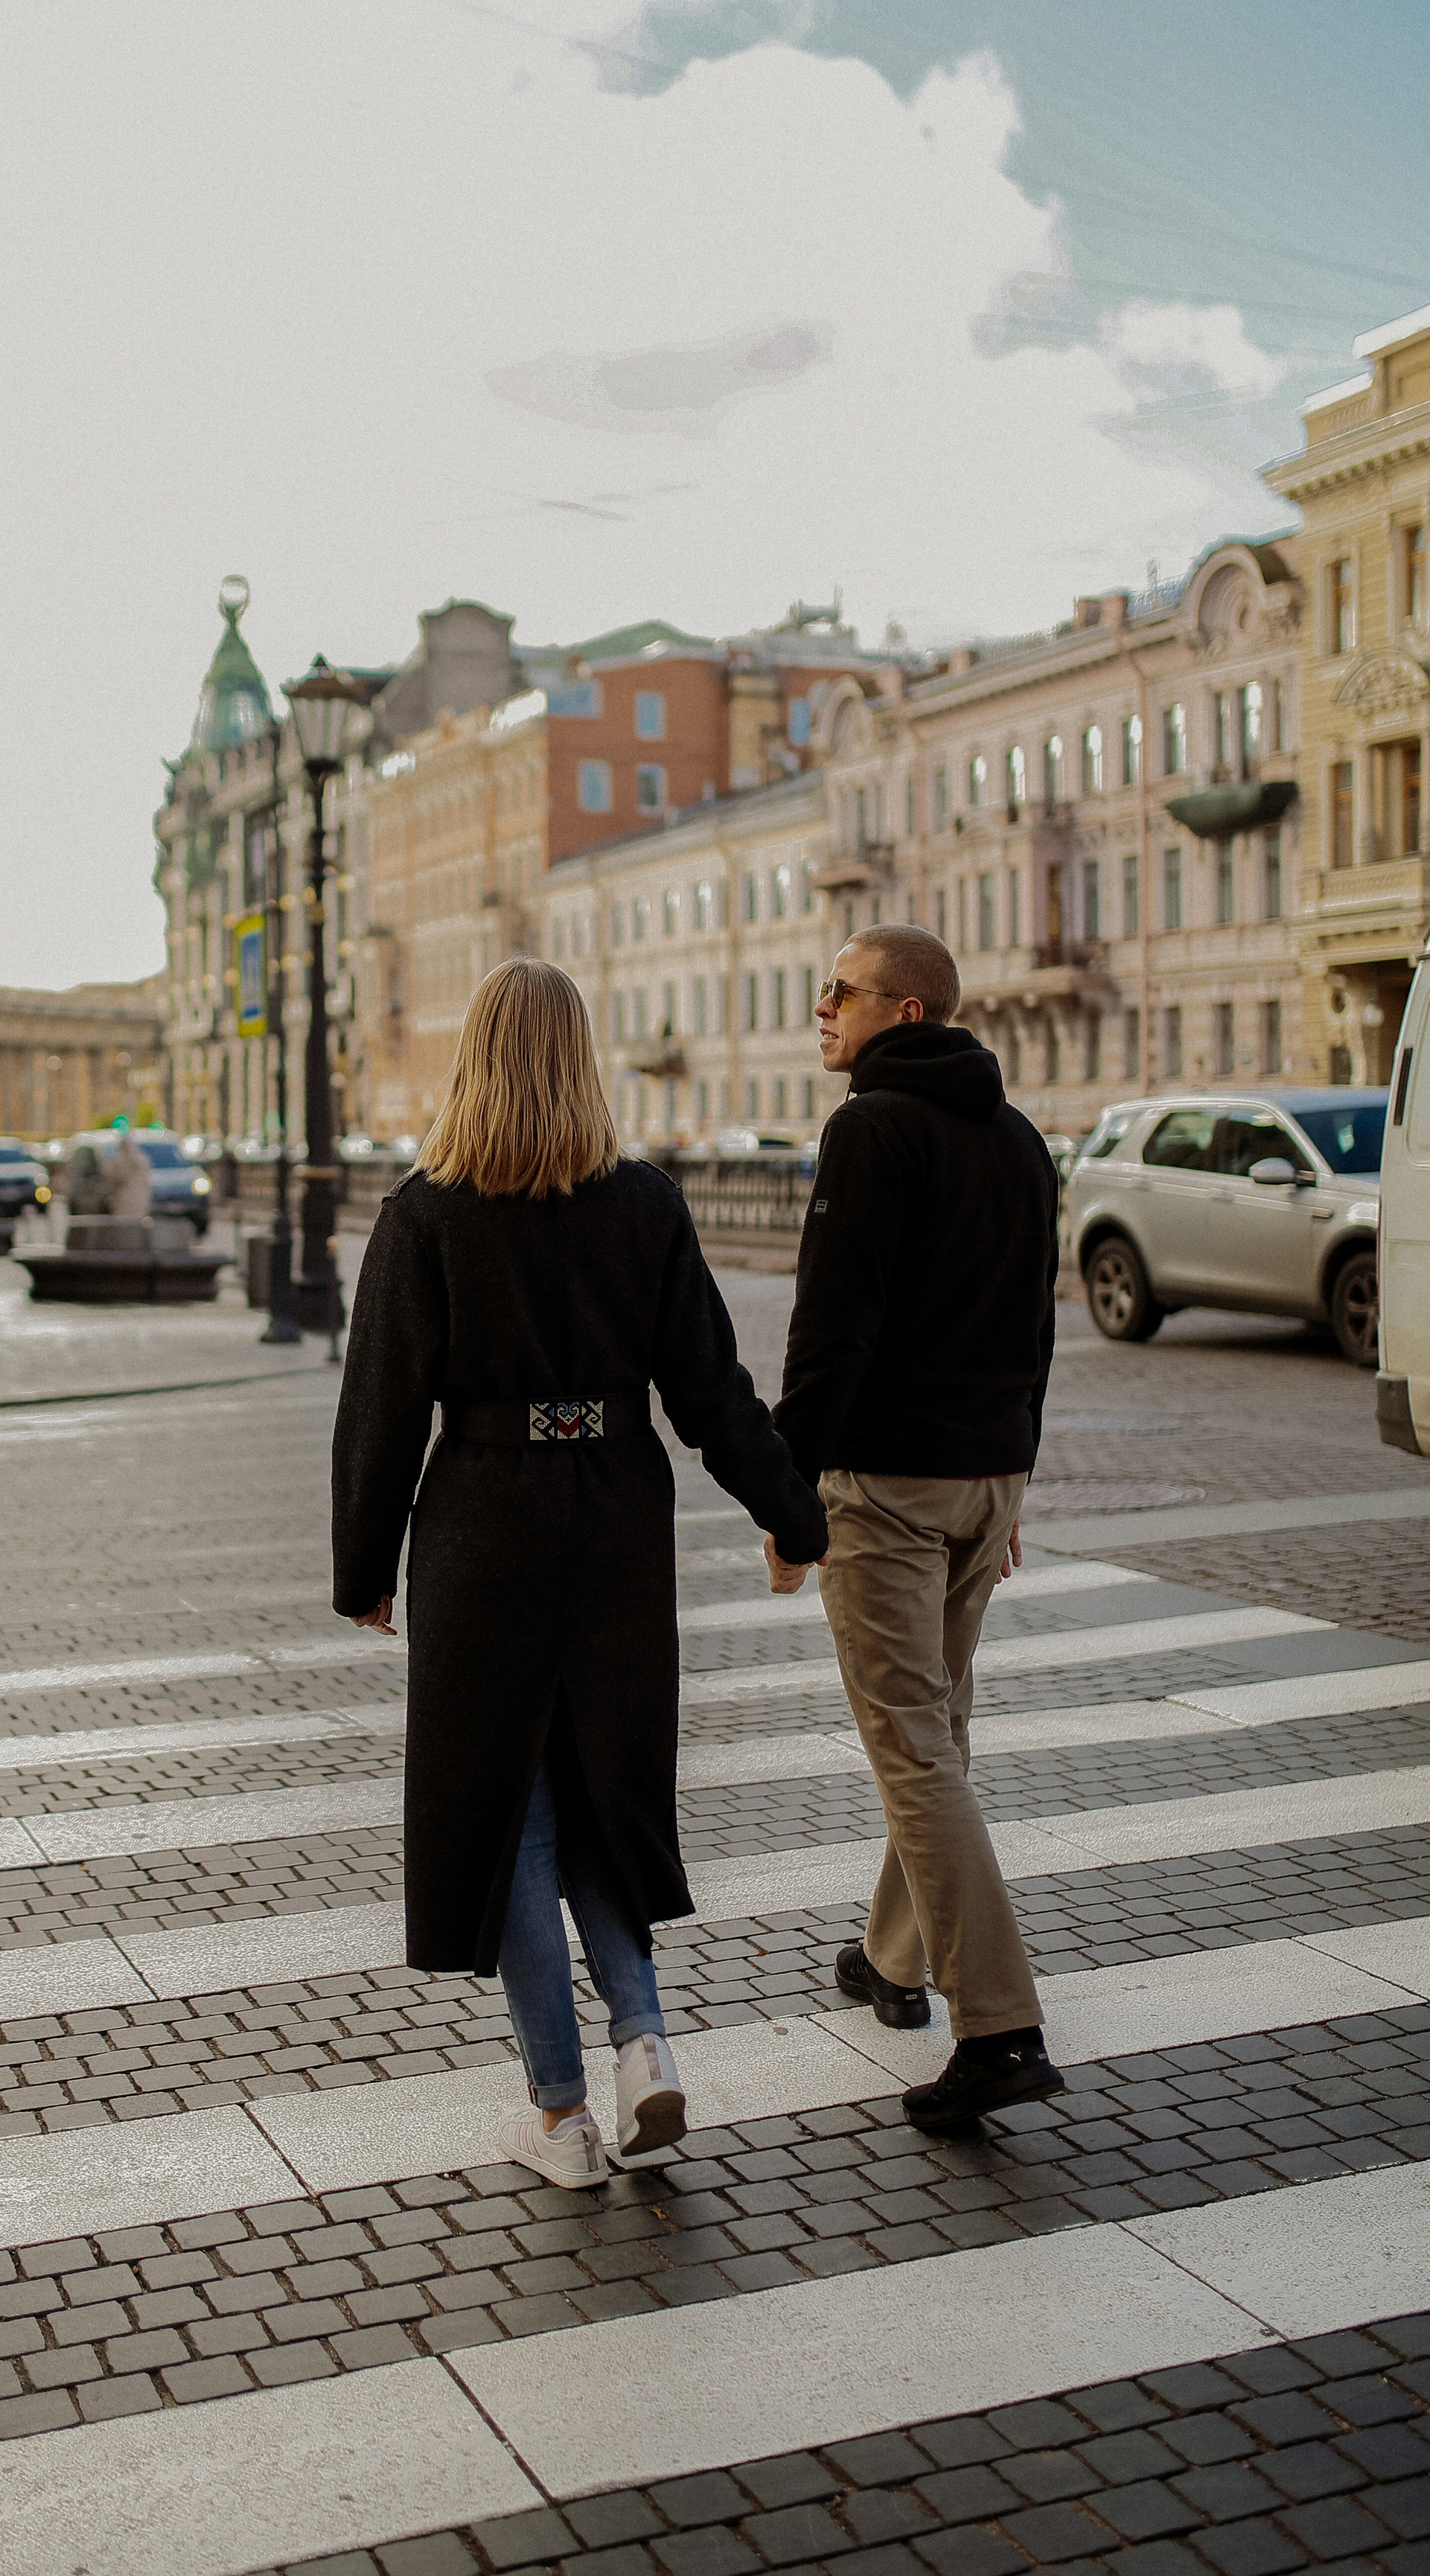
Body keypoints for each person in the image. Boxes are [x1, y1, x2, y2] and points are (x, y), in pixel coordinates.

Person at [332, 957, 826, 2191]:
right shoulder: (645, 1205)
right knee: (609, 1789)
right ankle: (644, 2040)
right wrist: (791, 1514)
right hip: (614, 1511)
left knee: (508, 1821)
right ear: (582, 1056)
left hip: (481, 1522)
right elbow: (712, 1389)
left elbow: (381, 1408)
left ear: (475, 1057)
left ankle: (561, 2120)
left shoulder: (425, 1212)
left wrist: (364, 1562)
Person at [770, 921, 1063, 2136]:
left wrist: (789, 1504)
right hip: (982, 1479)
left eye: (839, 992)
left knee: (911, 1744)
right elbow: (1031, 1327)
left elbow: (832, 1328)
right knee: (936, 1727)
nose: (819, 1010)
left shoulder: (869, 1129)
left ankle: (998, 2027)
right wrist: (1014, 1484)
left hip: (884, 1487)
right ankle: (894, 1962)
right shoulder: (1020, 1137)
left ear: (906, 1010)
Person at [101, 1132, 153, 1222]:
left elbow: (108, 1173)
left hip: (126, 1200)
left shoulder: (123, 1160)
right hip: (141, 1199)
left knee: (125, 1226)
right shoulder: (142, 1159)